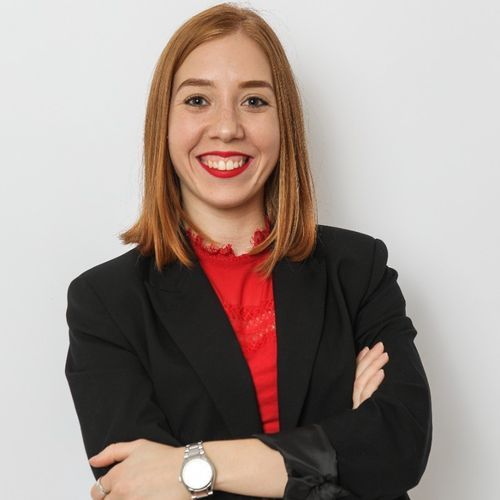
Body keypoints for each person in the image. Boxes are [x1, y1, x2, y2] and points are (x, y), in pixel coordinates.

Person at [64, 3, 432, 499]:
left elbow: (399, 446)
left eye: (254, 101)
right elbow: (136, 486)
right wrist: (340, 450)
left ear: (284, 124)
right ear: (163, 123)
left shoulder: (358, 270)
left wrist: (192, 465)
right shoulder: (105, 302)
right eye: (198, 100)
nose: (227, 127)